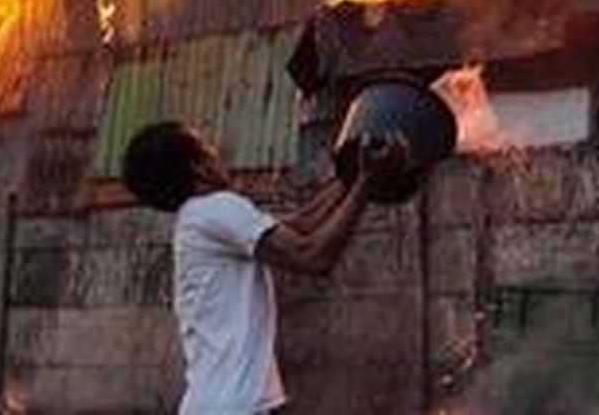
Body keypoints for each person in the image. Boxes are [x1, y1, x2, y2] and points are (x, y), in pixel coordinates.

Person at [121, 120, 399, 415]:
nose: (217, 152)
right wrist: (367, 183)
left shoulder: (199, 219)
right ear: (198, 168)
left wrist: (352, 177)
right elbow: (313, 256)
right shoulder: (216, 209)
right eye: (206, 147)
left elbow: (301, 224)